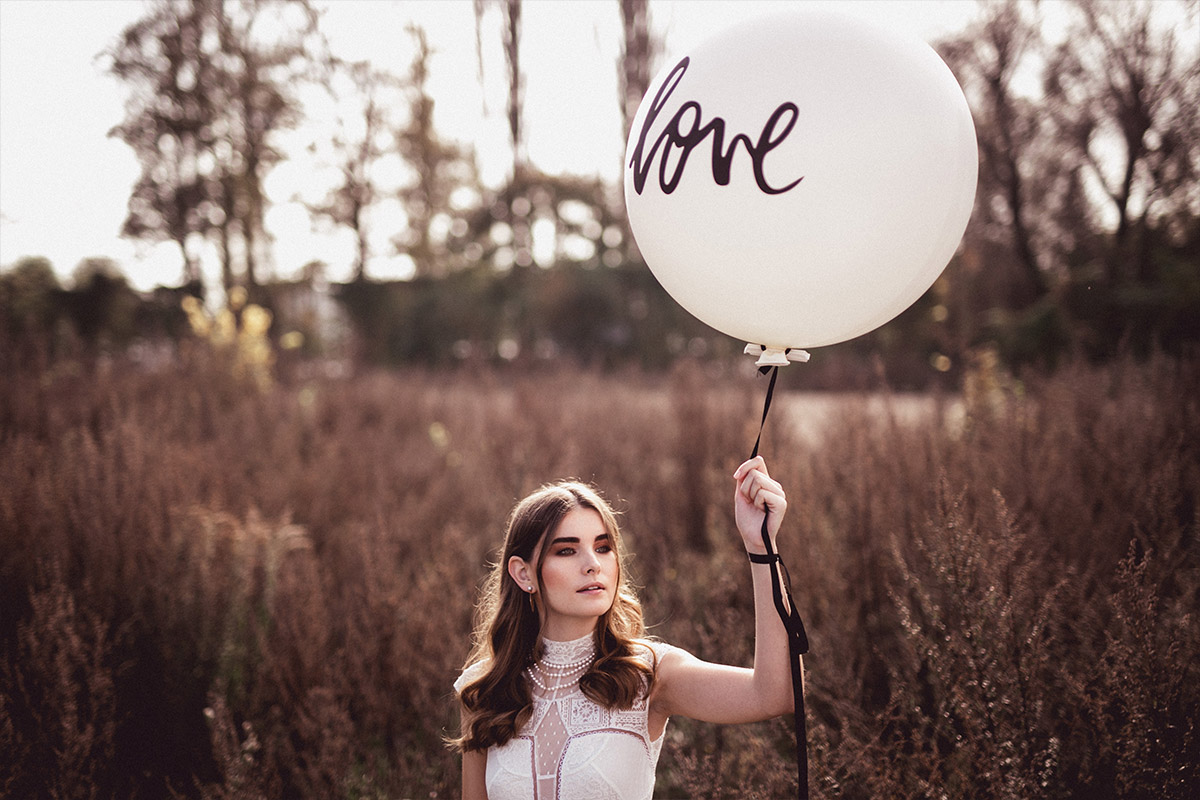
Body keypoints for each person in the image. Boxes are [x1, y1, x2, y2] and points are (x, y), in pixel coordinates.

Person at [451, 456, 796, 800]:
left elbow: (774, 694)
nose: (593, 565)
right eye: (567, 550)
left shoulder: (650, 674)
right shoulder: (485, 688)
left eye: (603, 548)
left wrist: (760, 546)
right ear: (523, 573)